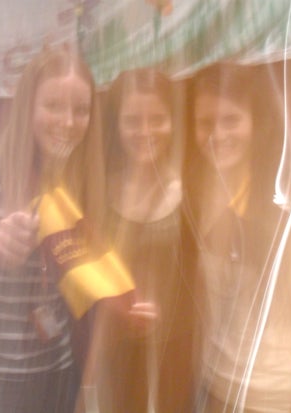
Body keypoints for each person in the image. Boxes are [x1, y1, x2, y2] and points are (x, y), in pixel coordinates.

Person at [0, 44, 107, 413]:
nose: (68, 121)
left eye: (81, 110)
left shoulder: (80, 191)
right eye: (53, 105)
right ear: (27, 107)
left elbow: (91, 288)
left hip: (53, 368)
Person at [184, 64, 291, 413]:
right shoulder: (194, 195)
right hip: (216, 386)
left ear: (255, 122)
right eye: (206, 123)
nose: (217, 134)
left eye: (231, 120)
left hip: (279, 394)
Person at [92, 67, 194, 413]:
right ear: (117, 124)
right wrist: (117, 310)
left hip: (178, 349)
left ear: (173, 122)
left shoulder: (190, 191)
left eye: (157, 119)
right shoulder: (99, 192)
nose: (146, 131)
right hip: (116, 350)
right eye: (133, 121)